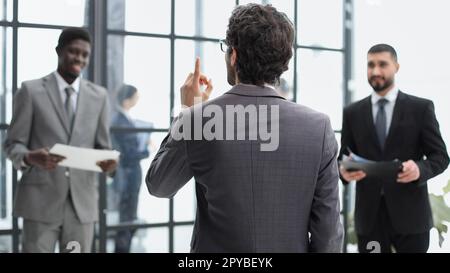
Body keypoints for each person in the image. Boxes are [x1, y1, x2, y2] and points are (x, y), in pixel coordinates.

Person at [146, 4, 343, 253]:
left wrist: (188, 112)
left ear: (234, 56)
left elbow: (160, 185)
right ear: (284, 62)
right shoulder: (319, 127)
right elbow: (328, 237)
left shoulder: (199, 120)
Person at [3, 27, 117, 253]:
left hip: (81, 206)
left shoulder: (99, 96)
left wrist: (110, 166)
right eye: (74, 51)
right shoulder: (31, 91)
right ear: (59, 51)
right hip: (39, 204)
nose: (80, 59)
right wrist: (29, 158)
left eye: (85, 55)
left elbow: (104, 147)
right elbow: (12, 145)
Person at [339, 44, 449, 253]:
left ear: (396, 67)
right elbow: (344, 157)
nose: (375, 71)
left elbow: (441, 157)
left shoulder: (421, 108)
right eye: (370, 65)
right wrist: (343, 171)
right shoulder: (353, 112)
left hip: (411, 218)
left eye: (382, 64)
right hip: (369, 218)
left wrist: (419, 169)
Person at [111, 84, 150, 253]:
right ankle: (122, 250)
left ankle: (123, 249)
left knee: (128, 216)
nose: (137, 100)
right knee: (127, 217)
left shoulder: (124, 118)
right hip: (128, 175)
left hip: (128, 175)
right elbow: (129, 154)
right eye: (135, 97)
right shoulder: (120, 121)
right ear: (127, 100)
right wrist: (146, 149)